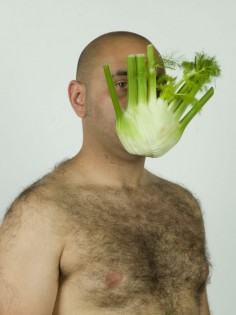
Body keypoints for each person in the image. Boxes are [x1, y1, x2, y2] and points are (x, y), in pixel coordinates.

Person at [0, 31, 211, 315]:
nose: (146, 98)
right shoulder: (42, 213)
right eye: (123, 84)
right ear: (78, 98)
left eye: (157, 85)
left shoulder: (185, 206)